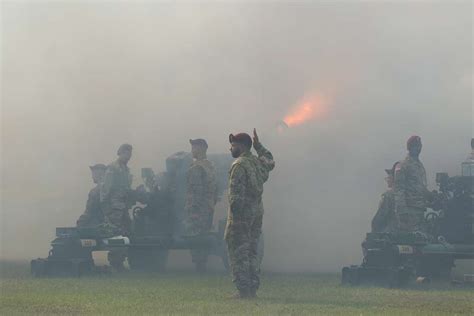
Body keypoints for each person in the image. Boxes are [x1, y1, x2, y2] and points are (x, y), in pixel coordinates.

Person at [225, 129, 275, 299]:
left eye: (232, 145)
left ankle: (243, 290)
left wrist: (234, 220)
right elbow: (270, 161)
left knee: (239, 252)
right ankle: (252, 288)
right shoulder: (256, 162)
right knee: (252, 251)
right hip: (256, 214)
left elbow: (235, 196)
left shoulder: (239, 165)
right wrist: (259, 146)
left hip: (241, 217)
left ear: (241, 146)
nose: (231, 149)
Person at [100, 143, 136, 271]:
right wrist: (105, 206)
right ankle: (115, 263)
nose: (128, 156)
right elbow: (105, 188)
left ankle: (120, 261)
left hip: (123, 207)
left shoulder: (126, 169)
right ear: (120, 153)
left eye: (130, 154)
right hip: (114, 207)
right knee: (115, 235)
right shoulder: (112, 168)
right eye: (126, 153)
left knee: (126, 232)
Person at [184, 138, 218, 272]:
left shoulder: (197, 167)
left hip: (197, 207)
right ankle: (202, 262)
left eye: (195, 147)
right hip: (208, 206)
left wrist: (193, 208)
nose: (192, 150)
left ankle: (199, 264)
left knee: (196, 235)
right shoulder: (210, 166)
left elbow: (195, 189)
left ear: (202, 148)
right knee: (203, 233)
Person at [393, 136, 430, 232]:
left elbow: (420, 186)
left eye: (419, 146)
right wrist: (402, 211)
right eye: (415, 146)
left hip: (419, 209)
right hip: (409, 210)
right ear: (409, 148)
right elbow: (398, 189)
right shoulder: (403, 165)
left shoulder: (419, 165)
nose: (418, 148)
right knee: (410, 240)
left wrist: (430, 195)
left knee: (420, 239)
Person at [371, 162, 398, 233]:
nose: (387, 180)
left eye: (389, 178)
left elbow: (379, 220)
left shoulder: (388, 196)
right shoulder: (410, 195)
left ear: (395, 179)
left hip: (389, 233)